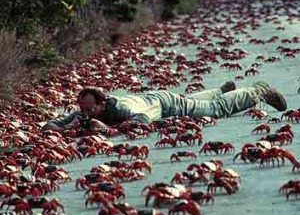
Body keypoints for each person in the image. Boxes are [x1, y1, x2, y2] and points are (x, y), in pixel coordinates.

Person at [42, 80, 287, 133]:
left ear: (102, 103)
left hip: (165, 105)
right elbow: (48, 126)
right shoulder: (83, 112)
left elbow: (142, 122)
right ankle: (219, 91)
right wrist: (65, 127)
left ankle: (258, 90)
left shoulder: (122, 109)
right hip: (150, 97)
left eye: (89, 110)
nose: (84, 113)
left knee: (214, 110)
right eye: (81, 109)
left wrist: (108, 130)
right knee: (201, 102)